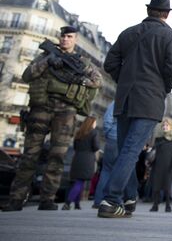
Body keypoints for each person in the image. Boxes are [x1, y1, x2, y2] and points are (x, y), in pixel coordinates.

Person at [3, 26, 102, 212]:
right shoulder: (46, 56)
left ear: (75, 40)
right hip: (41, 108)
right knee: (29, 155)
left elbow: (97, 81)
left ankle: (47, 199)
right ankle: (16, 199)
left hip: (66, 112)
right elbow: (27, 75)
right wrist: (48, 61)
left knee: (57, 156)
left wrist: (79, 79)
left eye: (69, 37)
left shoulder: (81, 62)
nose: (65, 39)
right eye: (63, 36)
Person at [100, 0, 172, 218]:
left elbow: (110, 63)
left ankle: (129, 197)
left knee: (127, 149)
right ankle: (110, 200)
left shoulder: (128, 32)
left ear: (148, 11)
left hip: (125, 99)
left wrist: (123, 80)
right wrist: (163, 88)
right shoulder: (167, 34)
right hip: (149, 100)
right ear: (166, 14)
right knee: (130, 150)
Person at [63, 116, 100, 210]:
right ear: (92, 123)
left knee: (79, 181)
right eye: (95, 122)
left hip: (77, 158)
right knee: (80, 182)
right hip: (87, 159)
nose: (96, 124)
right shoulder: (94, 132)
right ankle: (68, 202)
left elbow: (75, 146)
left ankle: (77, 204)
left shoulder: (79, 132)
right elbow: (96, 147)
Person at [150, 117, 172, 212]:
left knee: (167, 187)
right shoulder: (159, 139)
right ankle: (155, 205)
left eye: (167, 125)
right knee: (156, 186)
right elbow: (154, 151)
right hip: (157, 165)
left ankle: (168, 205)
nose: (165, 127)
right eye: (163, 125)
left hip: (168, 166)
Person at [93, 102, 118, 209]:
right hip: (125, 140)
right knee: (120, 171)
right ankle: (114, 201)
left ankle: (98, 201)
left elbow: (107, 119)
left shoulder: (117, 101)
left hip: (113, 138)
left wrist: (109, 133)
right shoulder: (137, 102)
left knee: (106, 170)